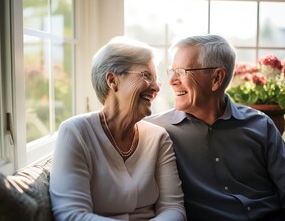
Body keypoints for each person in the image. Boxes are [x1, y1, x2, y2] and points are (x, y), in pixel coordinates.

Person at [147, 34, 285, 220]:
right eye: (173, 71)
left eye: (182, 71)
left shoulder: (261, 125)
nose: (172, 81)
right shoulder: (157, 131)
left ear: (217, 77)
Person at [49, 36, 186, 221]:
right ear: (112, 80)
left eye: (156, 80)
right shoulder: (76, 132)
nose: (155, 87)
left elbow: (174, 209)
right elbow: (72, 216)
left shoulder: (158, 137)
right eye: (146, 76)